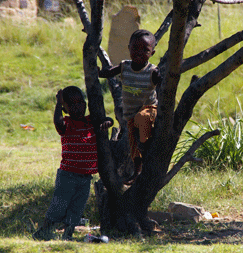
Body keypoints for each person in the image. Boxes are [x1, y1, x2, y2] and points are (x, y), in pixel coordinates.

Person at [33, 86, 113, 241]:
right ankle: (44, 231)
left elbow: (107, 119)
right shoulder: (66, 124)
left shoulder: (91, 121)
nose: (78, 107)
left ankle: (67, 235)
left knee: (77, 208)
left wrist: (108, 122)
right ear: (65, 109)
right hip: (67, 176)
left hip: (85, 177)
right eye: (72, 104)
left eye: (80, 102)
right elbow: (57, 121)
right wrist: (58, 103)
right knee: (59, 205)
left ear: (85, 103)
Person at [99, 29, 162, 185]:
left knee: (143, 120)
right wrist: (97, 71)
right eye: (135, 48)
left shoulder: (152, 71)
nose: (139, 52)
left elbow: (163, 85)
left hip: (149, 109)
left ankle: (146, 144)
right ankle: (137, 172)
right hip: (130, 116)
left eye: (145, 50)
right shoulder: (124, 66)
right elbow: (108, 73)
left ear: (152, 52)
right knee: (134, 149)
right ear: (129, 48)